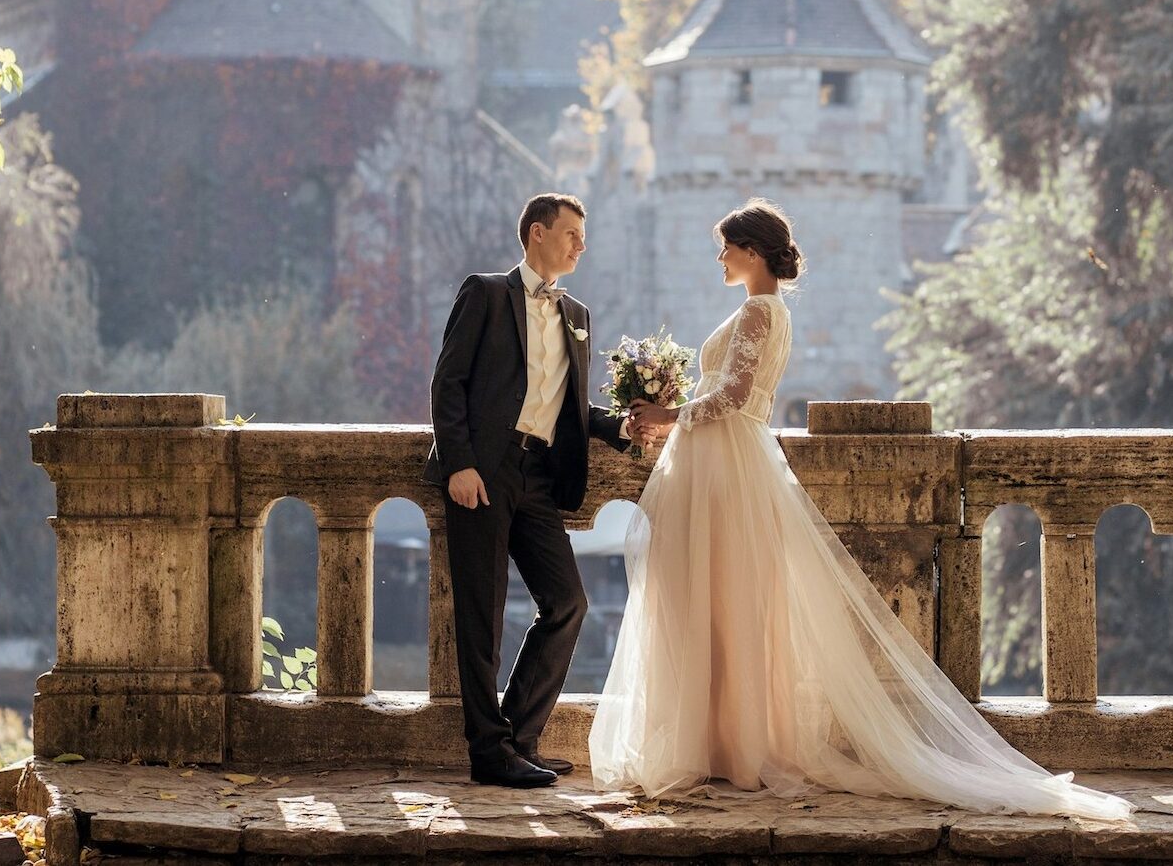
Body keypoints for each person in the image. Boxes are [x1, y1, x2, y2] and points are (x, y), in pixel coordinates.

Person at [591, 198, 1131, 821]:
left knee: (726, 602)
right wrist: (667, 420)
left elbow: (735, 398)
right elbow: (727, 397)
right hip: (724, 466)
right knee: (716, 602)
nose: (719, 257)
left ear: (753, 252)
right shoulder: (764, 311)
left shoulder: (760, 313)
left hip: (728, 470)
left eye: (726, 247)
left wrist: (666, 414)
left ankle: (732, 748)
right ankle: (722, 744)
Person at [425, 193, 631, 788]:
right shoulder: (485, 293)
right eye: (571, 233)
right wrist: (460, 464)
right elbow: (449, 382)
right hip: (483, 474)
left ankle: (517, 737)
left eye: (583, 235)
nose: (580, 244)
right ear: (536, 233)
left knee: (568, 602)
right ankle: (489, 755)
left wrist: (619, 427)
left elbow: (568, 406)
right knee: (482, 615)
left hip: (540, 477)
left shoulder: (577, 314)